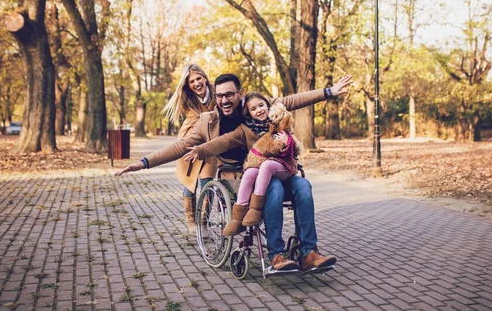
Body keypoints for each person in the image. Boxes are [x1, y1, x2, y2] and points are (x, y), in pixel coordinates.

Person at [115, 73, 353, 272]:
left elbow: (292, 100)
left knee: (303, 186)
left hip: (276, 168)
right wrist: (144, 162)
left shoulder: (257, 106)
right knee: (274, 189)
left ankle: (309, 251)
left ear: (240, 94)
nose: (224, 100)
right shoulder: (208, 121)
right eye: (219, 96)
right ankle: (277, 255)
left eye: (229, 94)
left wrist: (329, 92)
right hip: (237, 178)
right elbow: (182, 146)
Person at [183, 95, 301, 237]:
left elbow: (296, 144)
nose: (259, 110)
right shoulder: (245, 129)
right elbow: (223, 141)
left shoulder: (279, 124)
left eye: (261, 105)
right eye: (253, 108)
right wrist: (200, 150)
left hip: (281, 167)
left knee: (273, 171)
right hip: (259, 170)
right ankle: (238, 219)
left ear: (268, 106)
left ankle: (256, 210)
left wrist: (328, 92)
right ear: (248, 113)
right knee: (250, 172)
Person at [162, 64, 216, 234]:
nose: (196, 83)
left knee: (207, 182)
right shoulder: (188, 99)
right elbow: (199, 121)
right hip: (191, 138)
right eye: (191, 81)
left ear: (205, 77)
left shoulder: (217, 90)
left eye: (198, 78)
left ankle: (204, 223)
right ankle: (191, 222)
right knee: (190, 182)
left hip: (211, 141)